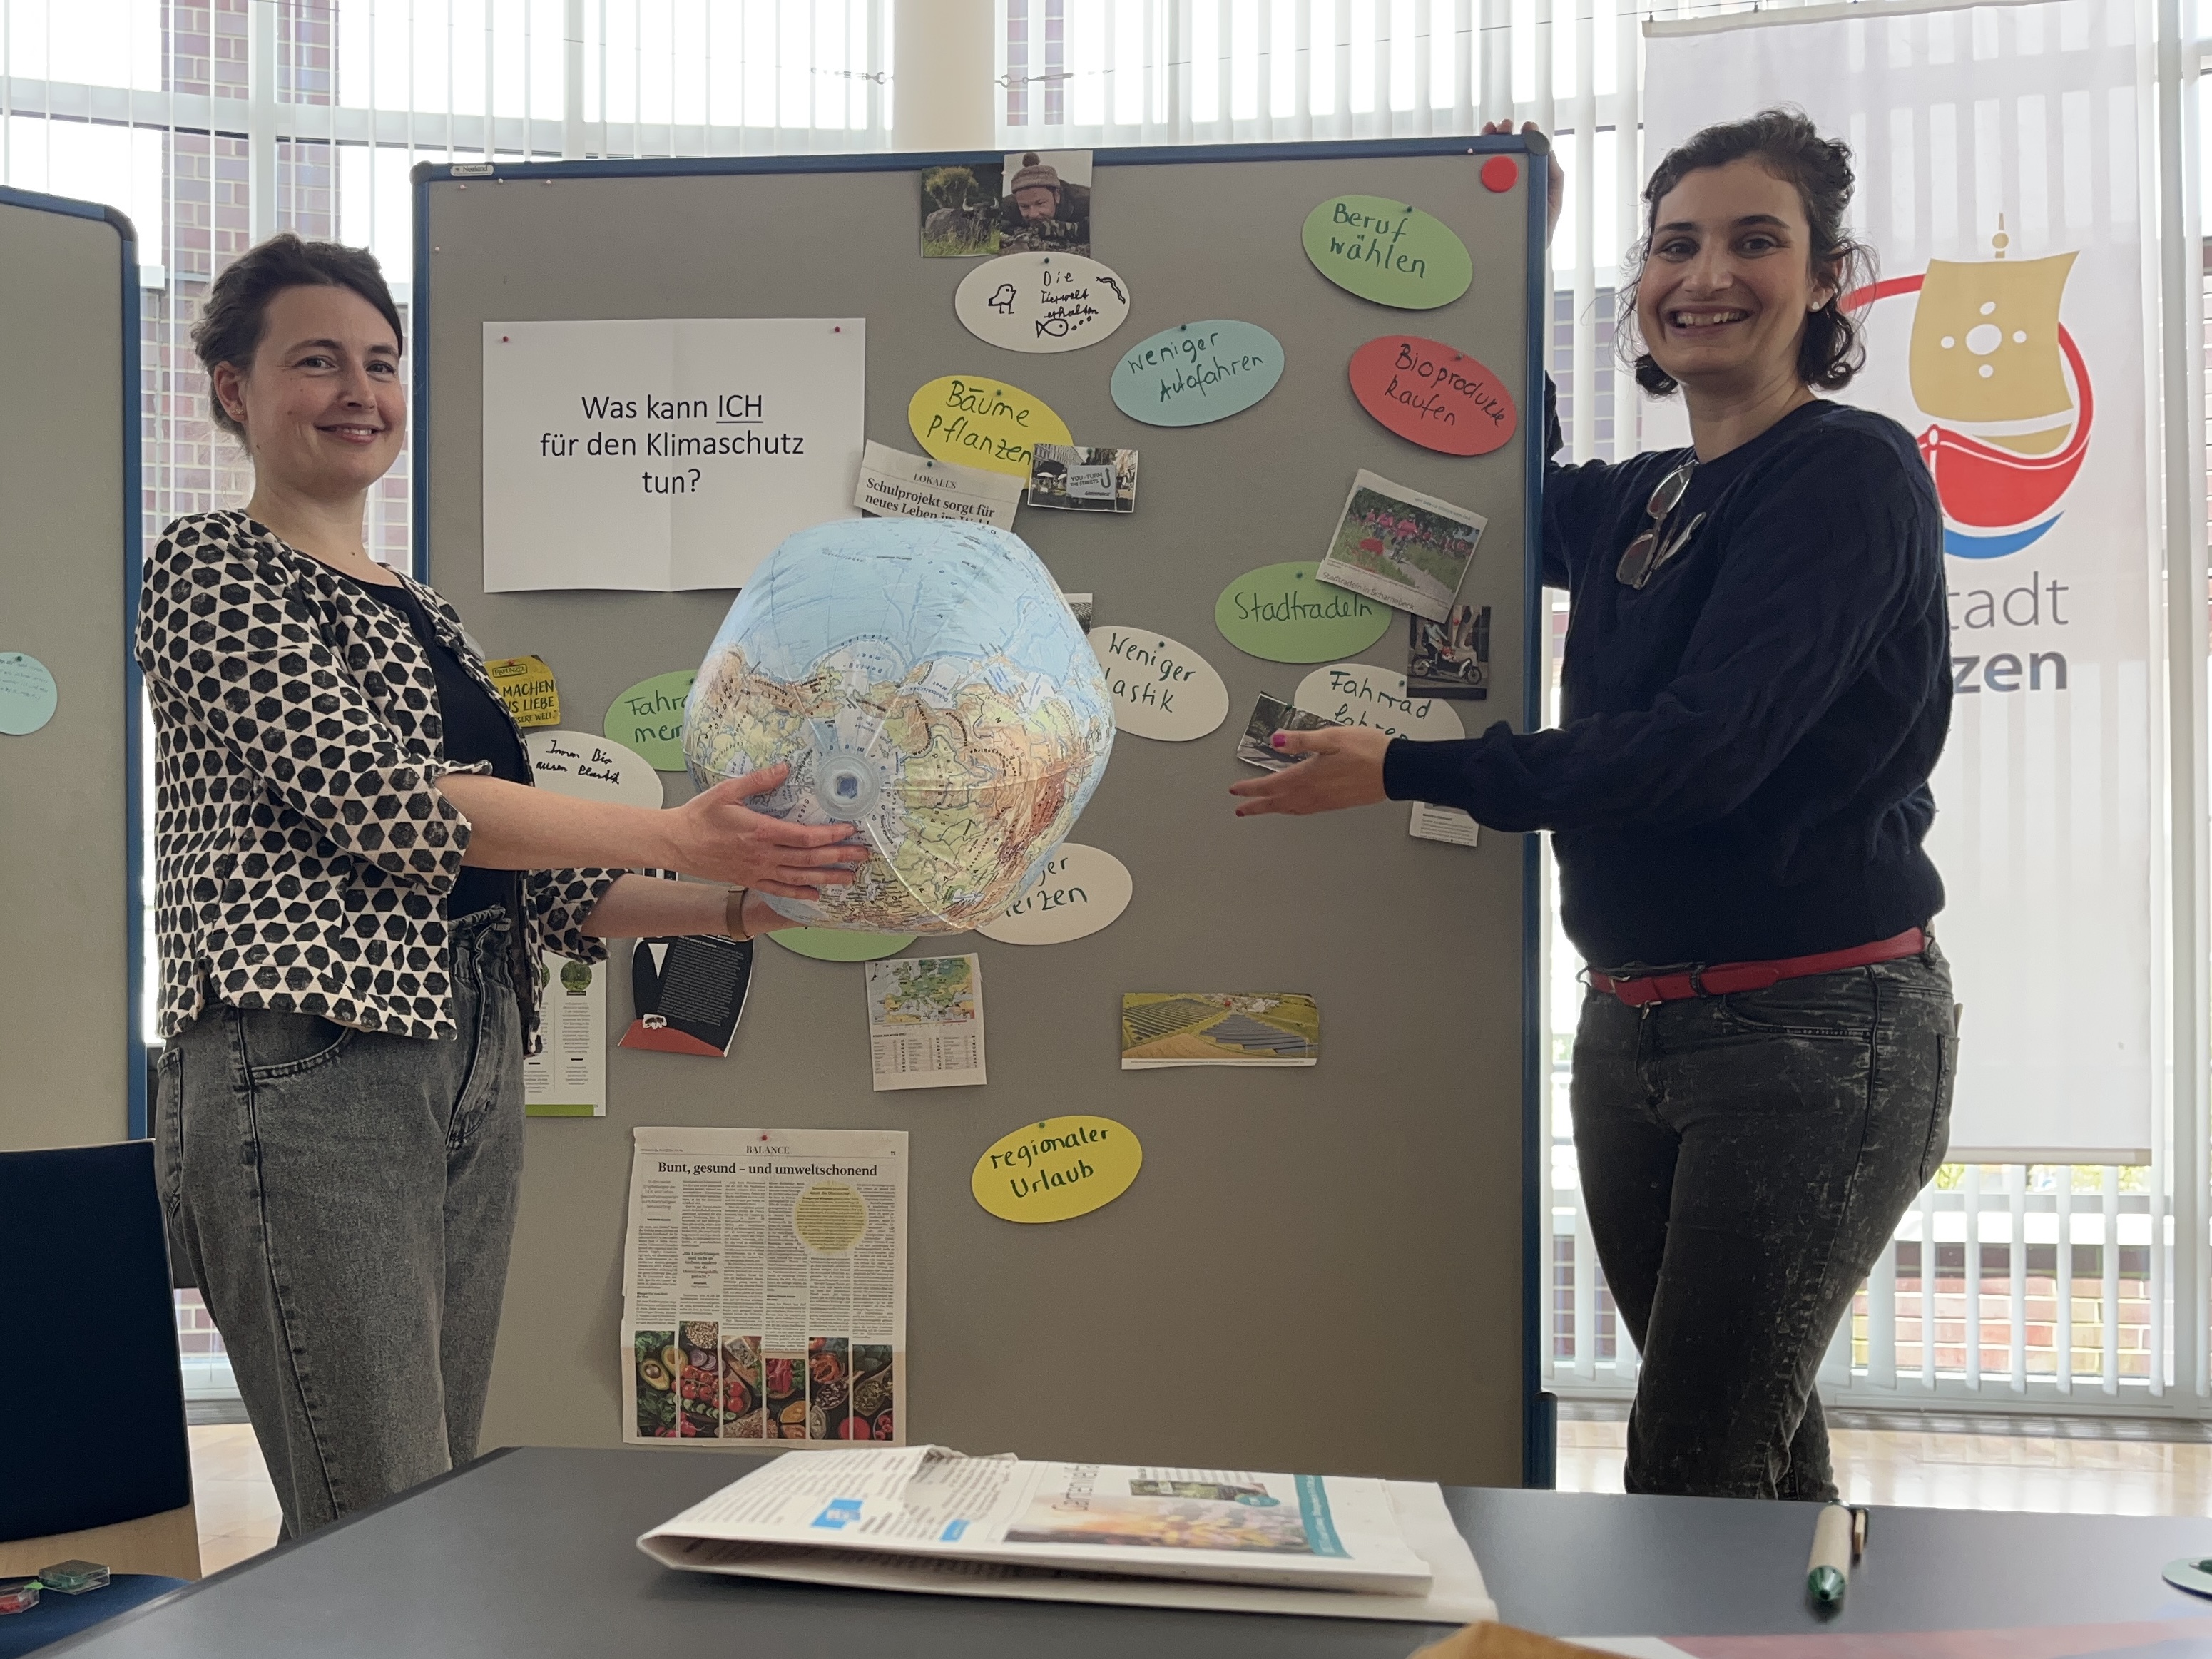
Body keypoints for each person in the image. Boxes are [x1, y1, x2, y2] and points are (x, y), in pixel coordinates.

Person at [1230, 111, 1956, 1501]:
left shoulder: (1846, 474)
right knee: (1746, 1460)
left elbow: (1699, 753)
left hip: (1815, 1035)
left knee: (1692, 1467)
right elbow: (1497, 485)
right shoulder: (1645, 498)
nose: (1706, 274)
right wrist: (1507, 245)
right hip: (1632, 1025)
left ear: (1825, 279)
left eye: (1754, 241)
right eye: (1675, 244)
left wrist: (1403, 766)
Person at [140, 233, 866, 1537]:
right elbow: (385, 798)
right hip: (307, 1054)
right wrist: (679, 834)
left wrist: (740, 903)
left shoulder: (425, 609)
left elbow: (539, 886)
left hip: (468, 1046)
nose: (359, 390)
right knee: (379, 1519)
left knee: (417, 1500)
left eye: (380, 363)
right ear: (233, 389)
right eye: (317, 361)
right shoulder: (209, 565)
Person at [999, 151, 1091, 251]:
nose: (1033, 214)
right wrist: (1022, 232)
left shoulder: (1086, 201)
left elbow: (1099, 229)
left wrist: (1059, 228)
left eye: (1040, 203)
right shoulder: (1008, 206)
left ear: (1057, 195)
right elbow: (1000, 227)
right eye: (1024, 206)